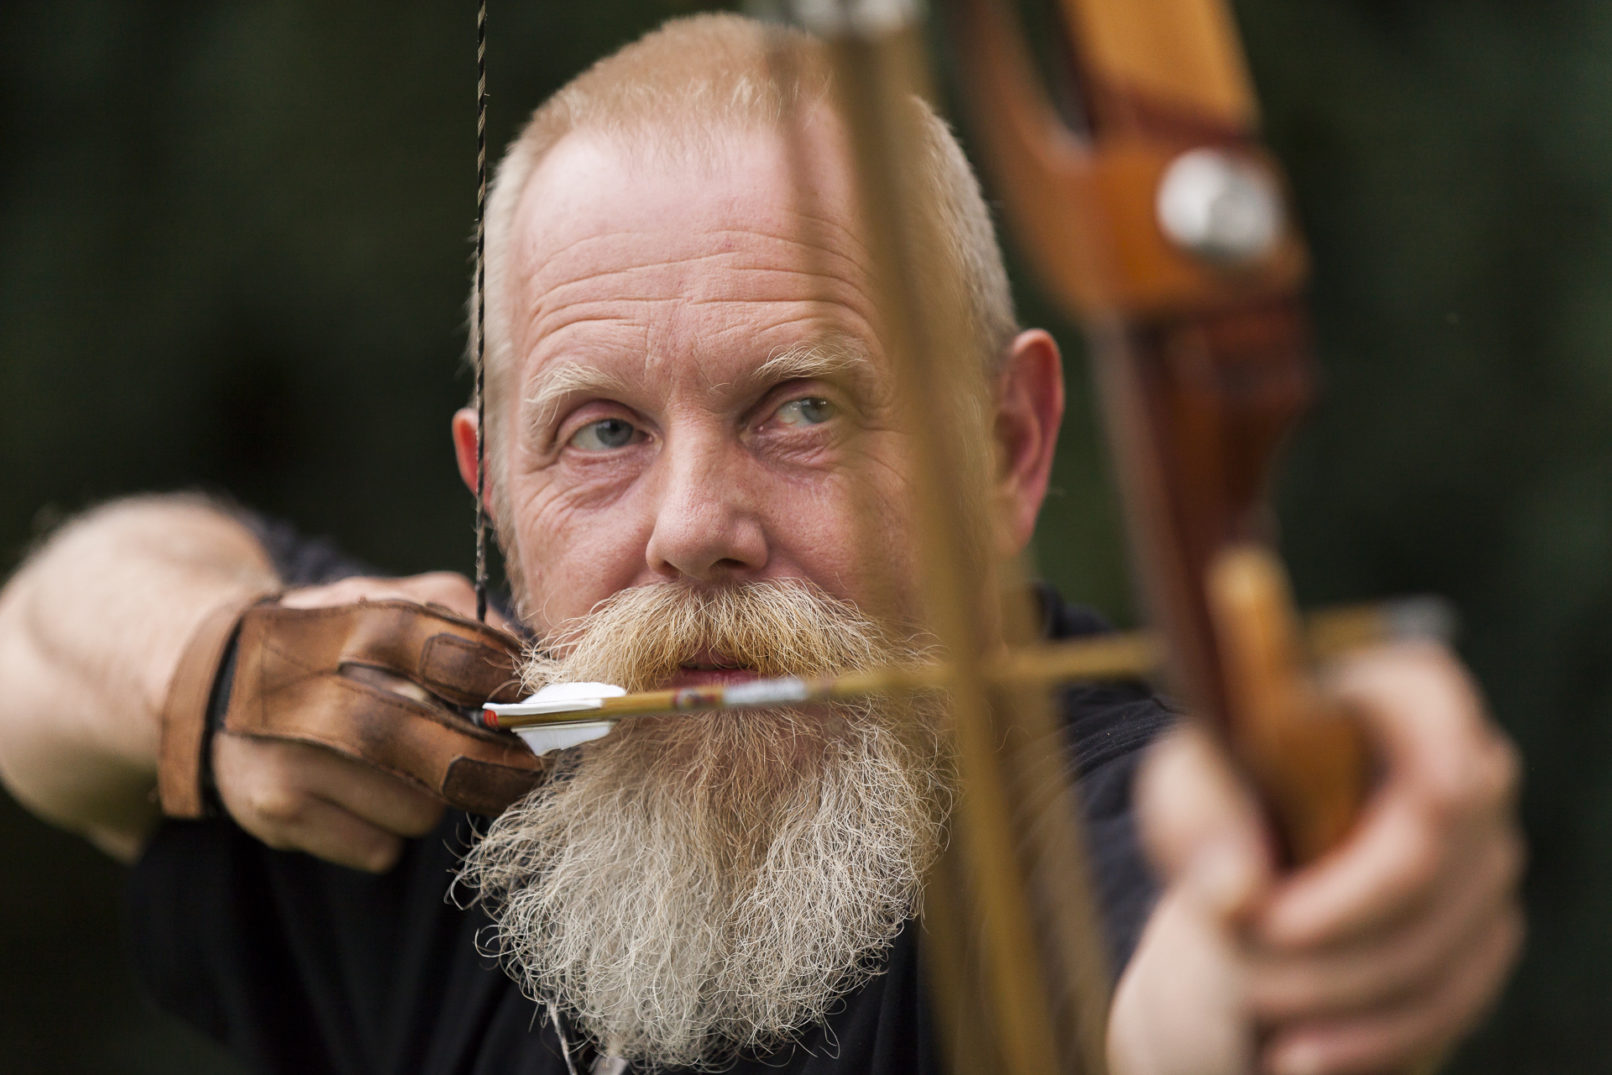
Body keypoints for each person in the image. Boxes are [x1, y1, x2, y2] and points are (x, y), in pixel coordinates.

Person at [0, 14, 1521, 1075]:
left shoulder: (1074, 815)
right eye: (601, 432)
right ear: (491, 483)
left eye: (800, 406)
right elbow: (40, 648)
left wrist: (1299, 906)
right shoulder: (446, 800)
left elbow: (1182, 969)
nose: (690, 531)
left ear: (1009, 447)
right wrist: (204, 673)